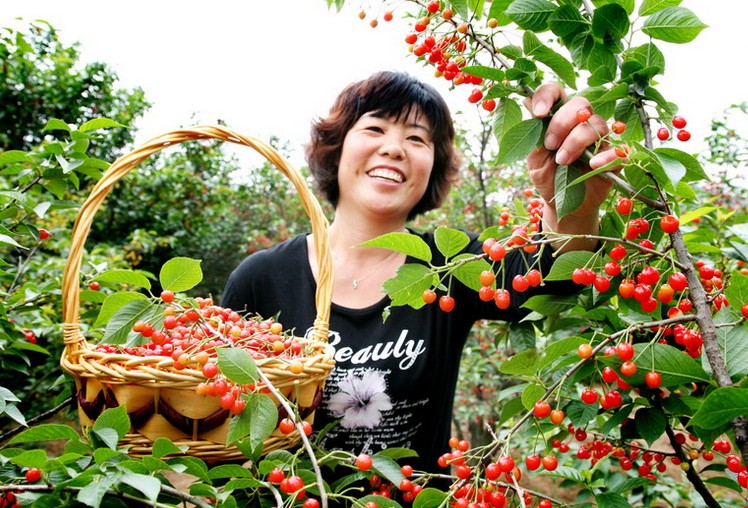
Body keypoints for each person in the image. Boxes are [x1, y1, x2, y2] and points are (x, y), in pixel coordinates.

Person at [221, 71, 617, 473]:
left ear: (433, 165)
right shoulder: (262, 278)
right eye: (375, 127)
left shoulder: (452, 263)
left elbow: (554, 276)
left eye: (416, 138)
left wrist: (573, 201)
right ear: (337, 149)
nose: (394, 148)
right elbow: (222, 414)